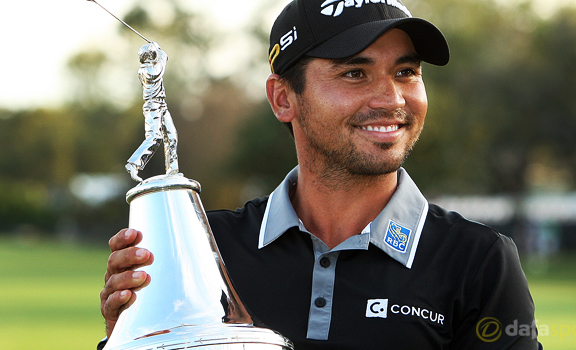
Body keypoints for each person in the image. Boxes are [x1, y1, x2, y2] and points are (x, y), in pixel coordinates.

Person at [99, 0, 542, 349]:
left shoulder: (480, 262)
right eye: (354, 73)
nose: (392, 98)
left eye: (406, 72)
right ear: (282, 99)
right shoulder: (203, 248)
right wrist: (132, 333)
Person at [125, 41, 179, 182]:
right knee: (154, 137)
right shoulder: (146, 70)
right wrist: (162, 53)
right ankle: (133, 164)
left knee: (171, 135)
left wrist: (159, 51)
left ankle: (172, 170)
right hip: (153, 107)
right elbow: (160, 68)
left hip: (162, 105)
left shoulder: (151, 67)